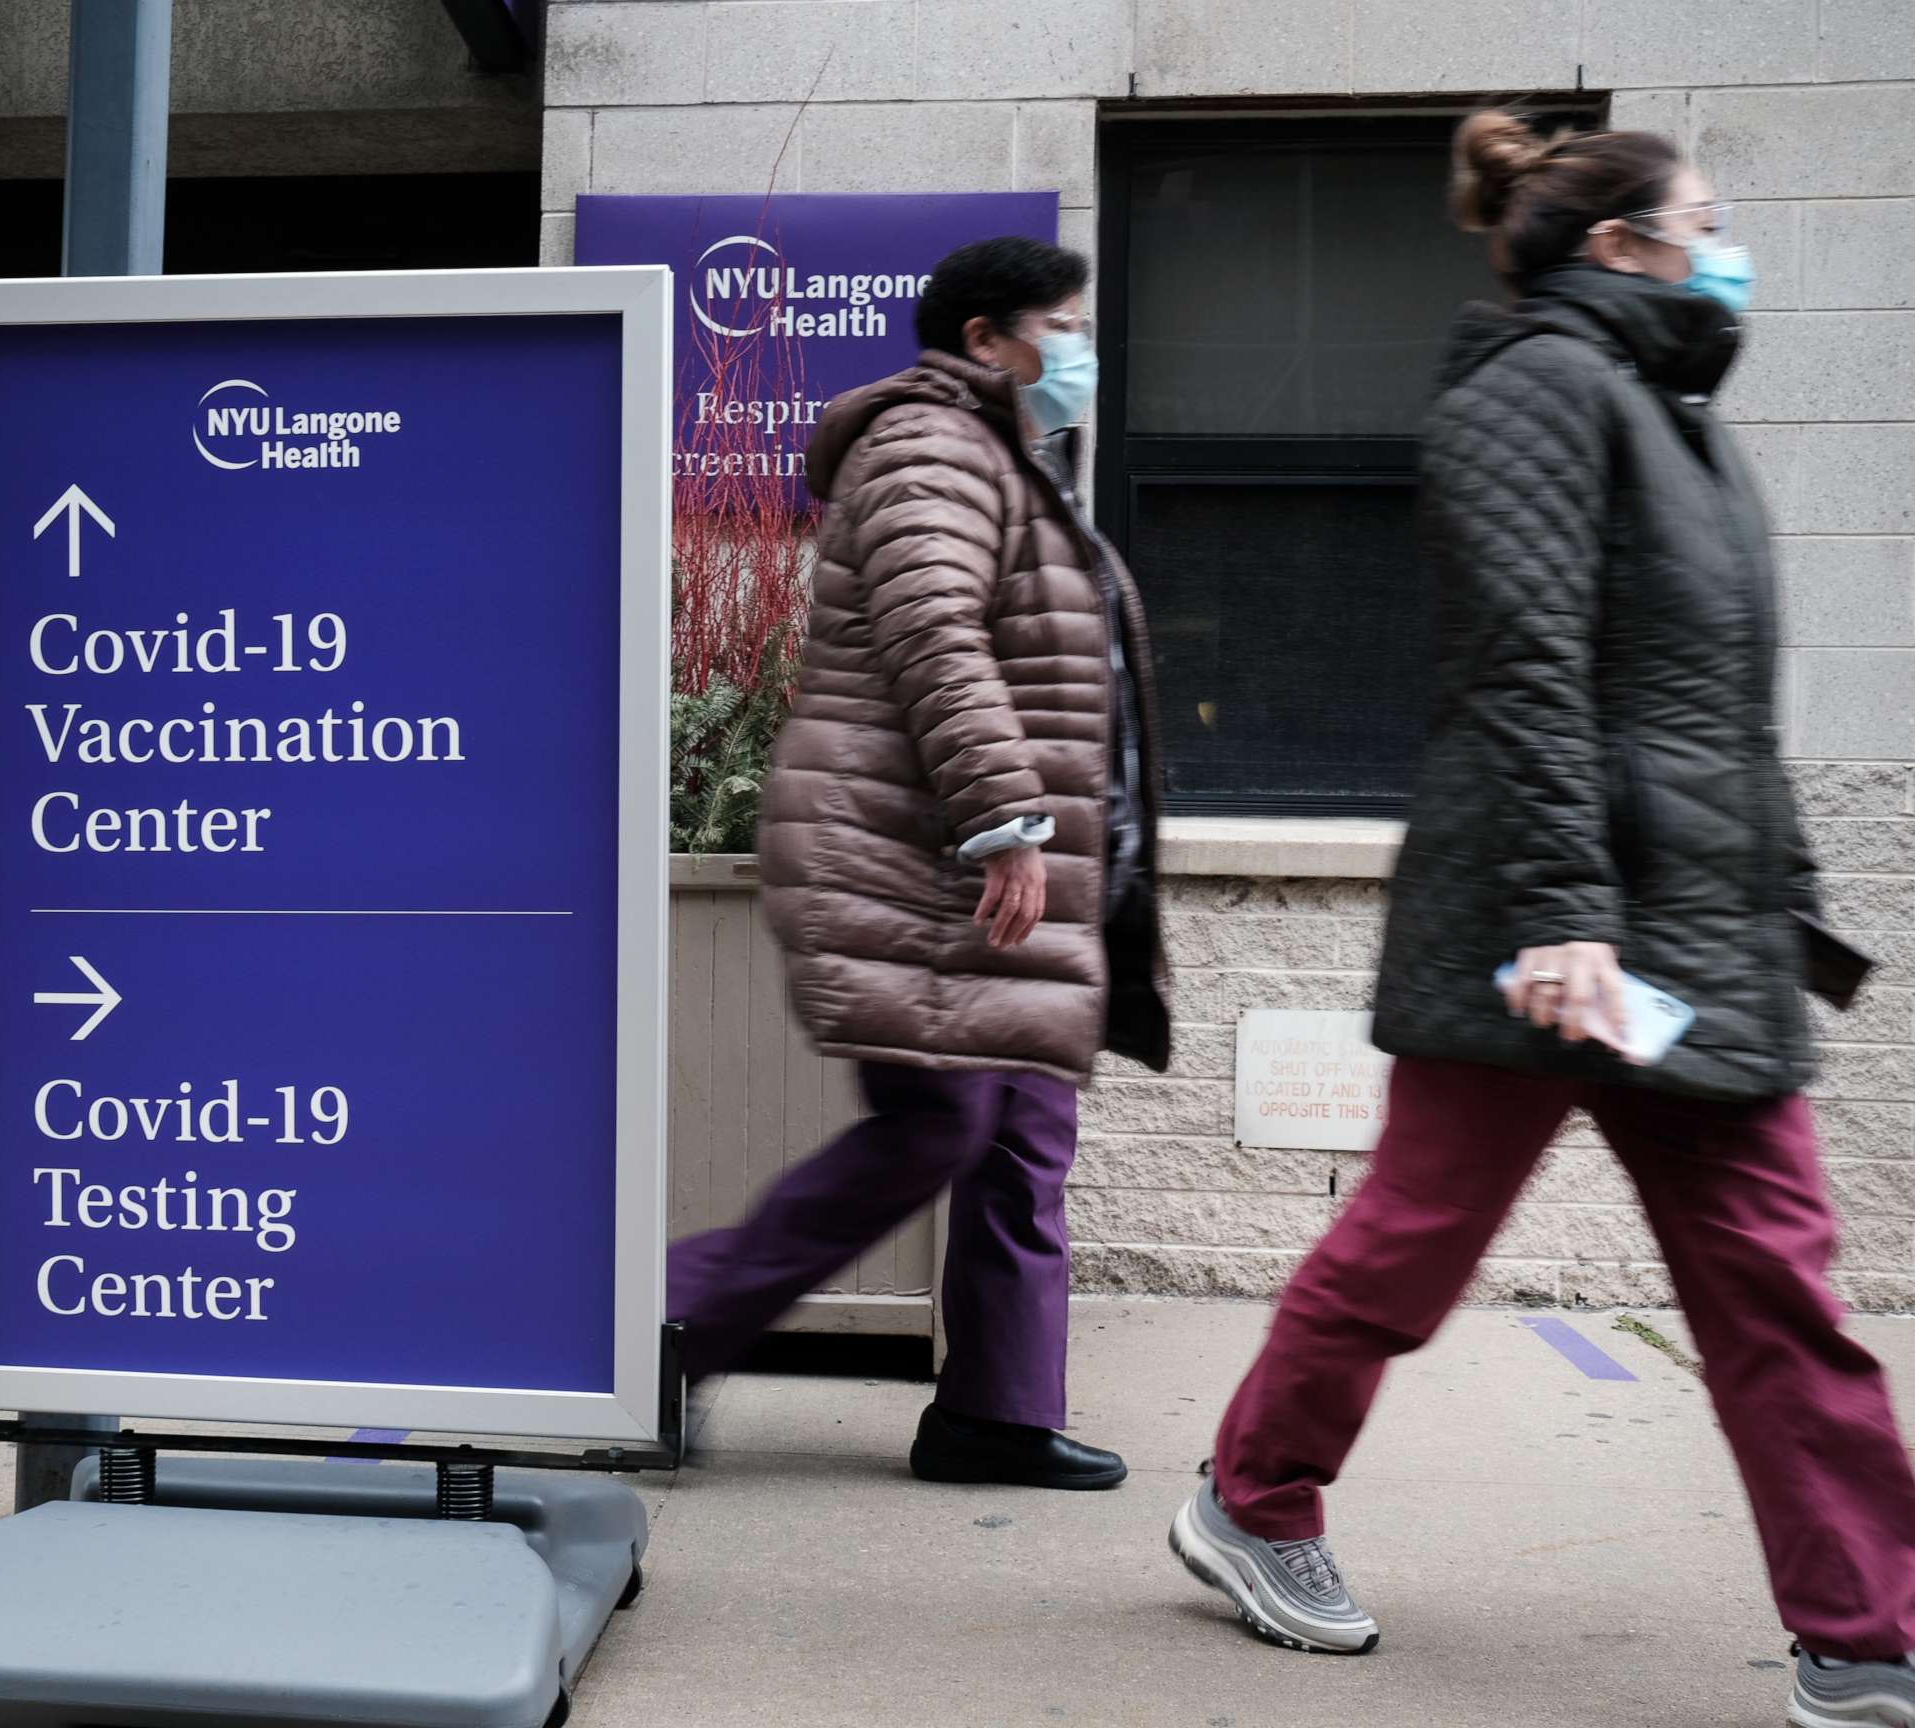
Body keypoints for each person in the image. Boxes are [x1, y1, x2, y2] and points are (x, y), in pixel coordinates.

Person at [1166, 110, 1915, 1724]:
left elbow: (1710, 706)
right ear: (1617, 247)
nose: (1725, 246)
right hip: (1540, 943)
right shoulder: (1534, 395)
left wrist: (1774, 893)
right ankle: (1252, 1497)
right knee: (1404, 1258)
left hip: (1688, 946)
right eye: (1701, 218)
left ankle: (1869, 1639)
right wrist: (1569, 910)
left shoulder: (1678, 418)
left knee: (1779, 1288)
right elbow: (1523, 674)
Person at [666, 237, 1169, 1491]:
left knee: (1022, 1133)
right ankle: (650, 1331)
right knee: (941, 1118)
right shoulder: (930, 447)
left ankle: (995, 1414)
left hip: (1007, 861)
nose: (1081, 347)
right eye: (1062, 322)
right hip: (919, 849)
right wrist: (1004, 814)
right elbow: (930, 628)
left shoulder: (1011, 459)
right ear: (989, 338)